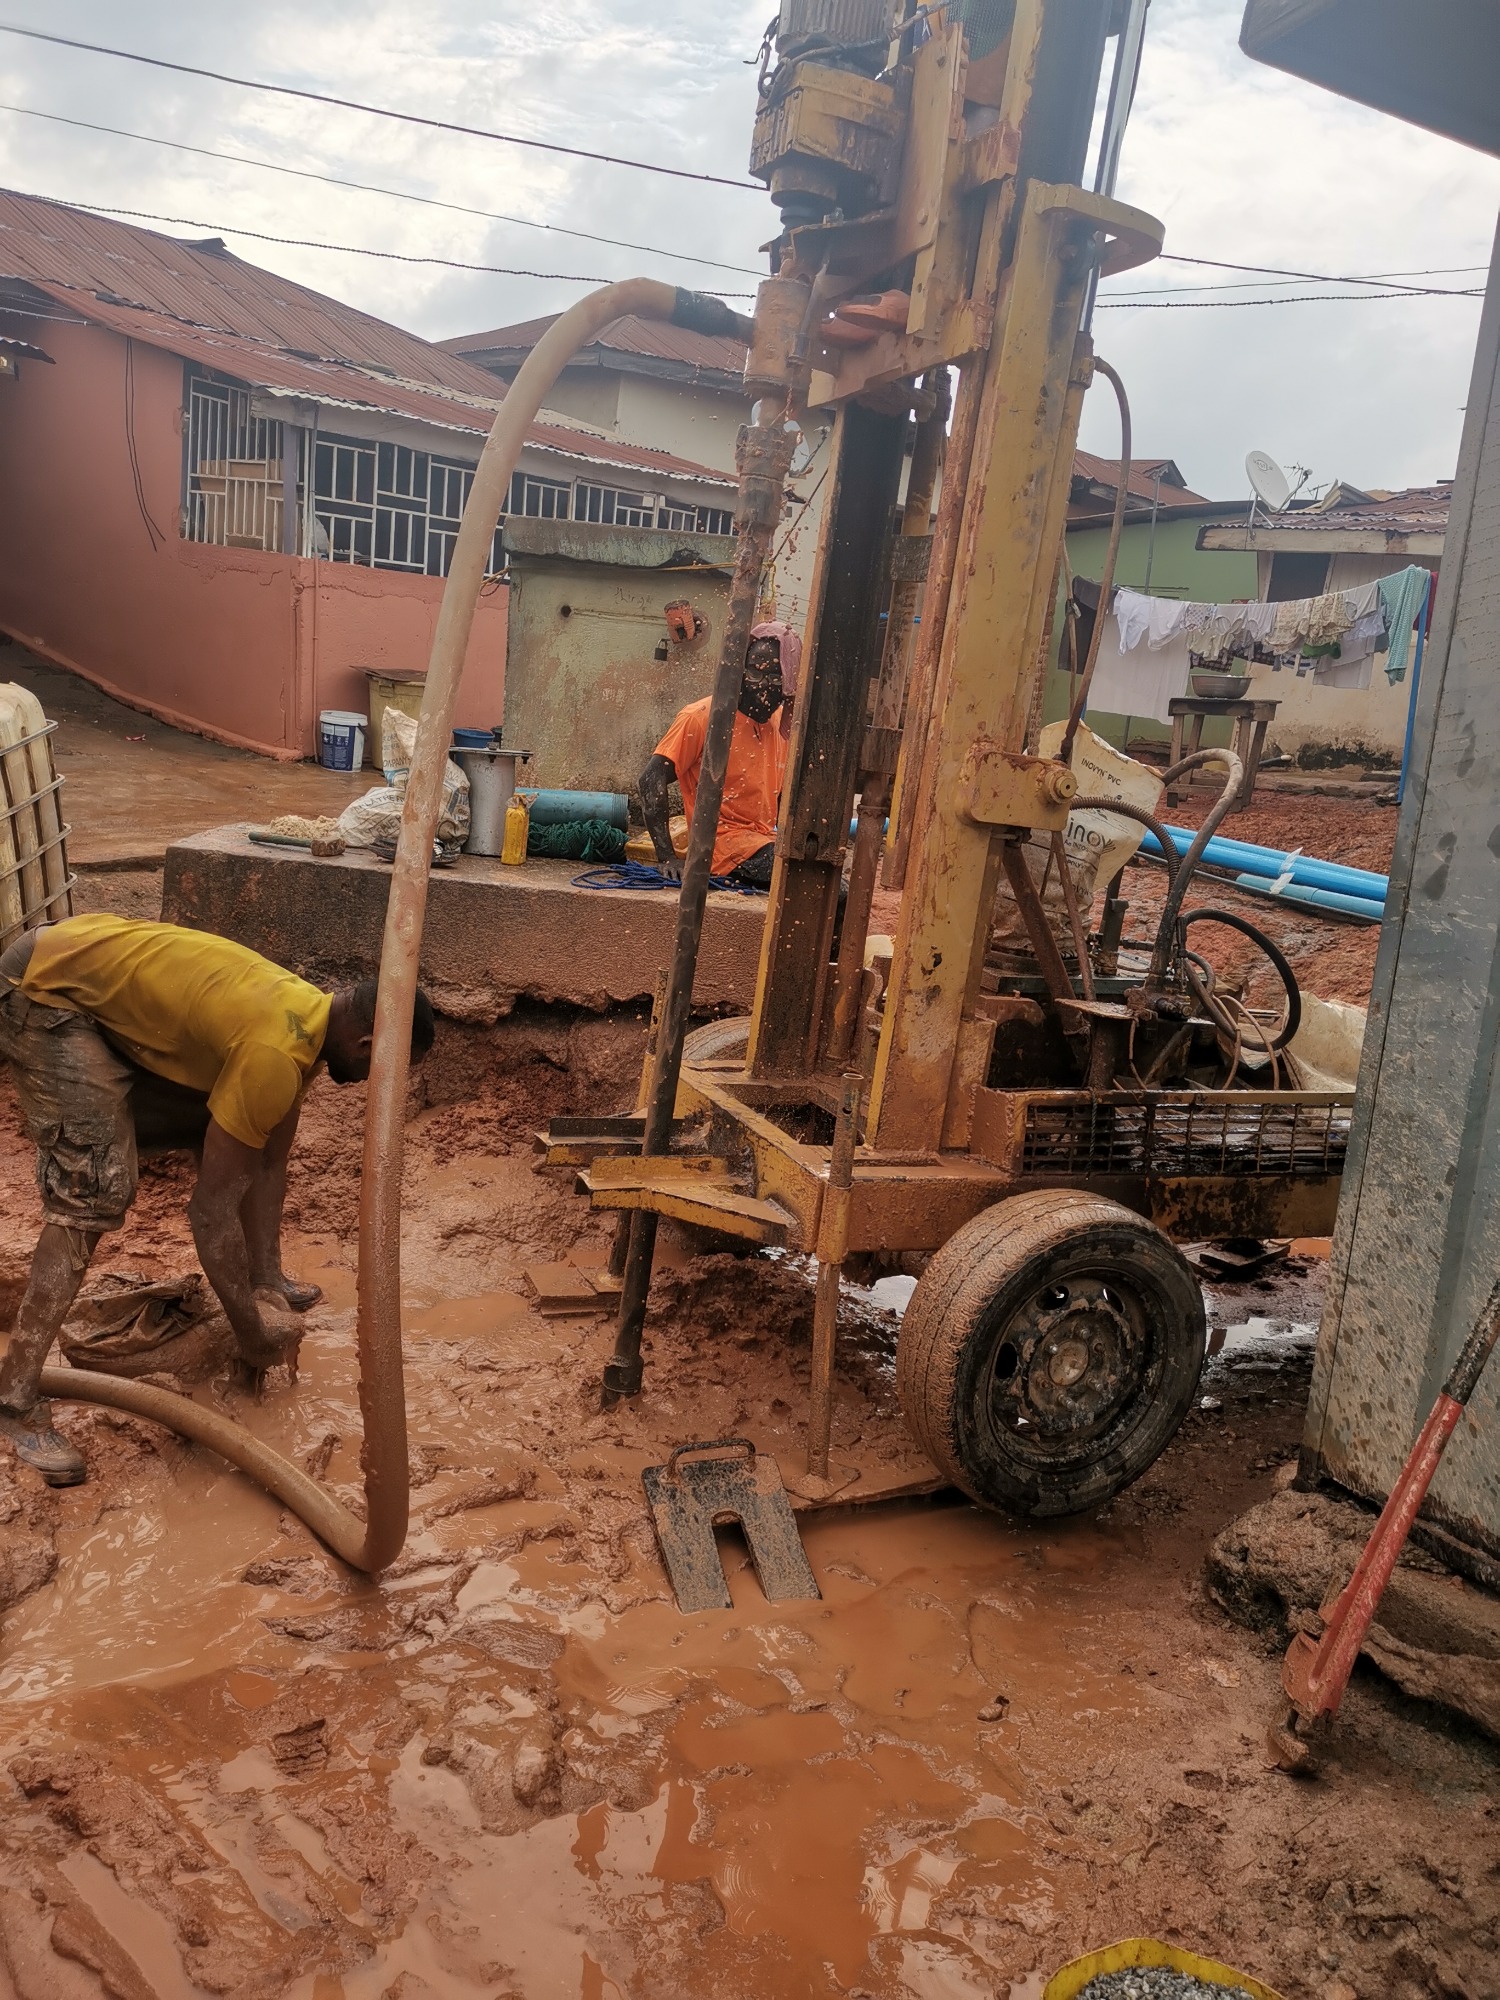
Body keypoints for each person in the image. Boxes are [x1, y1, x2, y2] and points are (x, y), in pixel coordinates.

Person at [0, 915, 436, 1486]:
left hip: (83, 974)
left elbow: (268, 1161)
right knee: (97, 1190)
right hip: (47, 991)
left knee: (225, 1130)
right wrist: (251, 1334)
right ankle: (16, 1402)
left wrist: (266, 1281)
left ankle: (255, 1273)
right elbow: (210, 1214)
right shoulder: (274, 1051)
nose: (377, 1088)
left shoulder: (308, 1022)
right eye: (384, 1073)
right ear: (366, 1046)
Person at [638, 622, 801, 889]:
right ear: (740, 673)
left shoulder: (780, 724)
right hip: (720, 846)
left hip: (764, 840)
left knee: (824, 874)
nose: (764, 687)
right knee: (802, 875)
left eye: (775, 678)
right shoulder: (703, 717)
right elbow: (650, 779)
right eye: (756, 674)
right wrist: (667, 857)